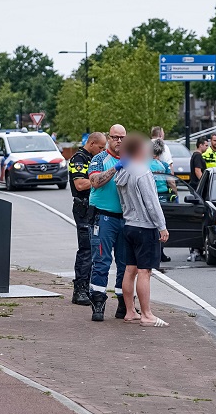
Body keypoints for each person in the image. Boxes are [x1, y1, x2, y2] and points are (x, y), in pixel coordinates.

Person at [116, 134, 170, 327]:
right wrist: (161, 226)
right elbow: (151, 202)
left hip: (129, 224)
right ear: (139, 150)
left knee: (129, 270)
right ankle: (147, 314)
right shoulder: (143, 172)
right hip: (145, 227)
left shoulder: (122, 172)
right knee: (144, 271)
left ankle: (130, 311)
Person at [87, 124, 129, 322]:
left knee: (125, 263)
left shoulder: (131, 159)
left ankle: (124, 303)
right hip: (103, 217)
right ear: (109, 138)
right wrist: (115, 168)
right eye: (115, 137)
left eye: (122, 137)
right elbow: (95, 182)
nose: (119, 141)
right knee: (102, 261)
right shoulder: (99, 159)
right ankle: (98, 302)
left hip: (126, 218)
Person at [69, 132, 107, 306]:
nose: (102, 150)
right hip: (82, 207)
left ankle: (88, 288)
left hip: (91, 208)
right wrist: (99, 179)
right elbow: (79, 184)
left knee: (93, 249)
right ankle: (80, 290)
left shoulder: (93, 158)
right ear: (91, 143)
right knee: (85, 249)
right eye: (100, 147)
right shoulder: (79, 159)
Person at [150, 138, 174, 263]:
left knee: (151, 225)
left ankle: (152, 251)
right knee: (162, 225)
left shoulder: (145, 164)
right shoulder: (164, 165)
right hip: (163, 197)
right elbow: (171, 182)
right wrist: (175, 194)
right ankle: (160, 252)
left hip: (151, 196)